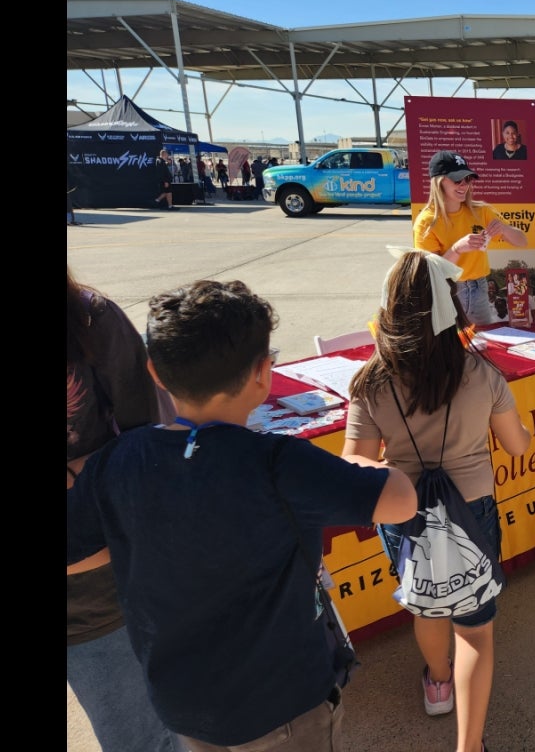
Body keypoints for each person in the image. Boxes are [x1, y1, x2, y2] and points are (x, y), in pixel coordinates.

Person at [66, 279, 418, 751]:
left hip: (185, 705)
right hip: (284, 707)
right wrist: (355, 462)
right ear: (263, 374)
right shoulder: (279, 464)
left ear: (153, 371)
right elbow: (402, 499)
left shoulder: (115, 461)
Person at [343, 249, 531, 752]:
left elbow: (355, 466)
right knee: (476, 628)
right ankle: (469, 746)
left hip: (404, 512)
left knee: (427, 607)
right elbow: (517, 444)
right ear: (452, 306)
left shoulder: (370, 381)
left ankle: (438, 682)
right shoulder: (483, 374)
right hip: (474, 509)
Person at [67, 267, 184, 752]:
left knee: (146, 739)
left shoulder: (90, 319)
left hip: (96, 597)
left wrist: (77, 473)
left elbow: (150, 446)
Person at [413, 151, 528, 326]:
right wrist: (457, 248)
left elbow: (522, 241)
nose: (464, 185)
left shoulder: (481, 211)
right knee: (450, 349)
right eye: (457, 180)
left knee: (481, 347)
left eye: (467, 179)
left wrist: (504, 229)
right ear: (438, 182)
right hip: (446, 291)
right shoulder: (426, 222)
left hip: (479, 289)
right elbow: (432, 273)